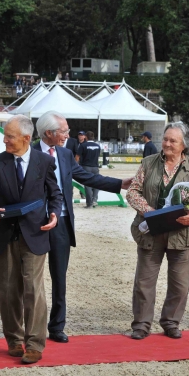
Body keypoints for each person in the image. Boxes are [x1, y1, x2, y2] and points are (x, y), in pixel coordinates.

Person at [32, 111, 132, 343]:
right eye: (65, 131)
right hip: (34, 223)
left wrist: (119, 184)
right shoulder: (30, 152)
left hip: (63, 222)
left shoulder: (66, 155)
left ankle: (57, 326)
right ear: (49, 133)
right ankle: (32, 324)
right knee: (31, 277)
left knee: (59, 276)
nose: (69, 135)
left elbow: (87, 177)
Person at [0, 115, 62, 365]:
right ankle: (14, 339)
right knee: (8, 289)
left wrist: (55, 213)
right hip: (4, 234)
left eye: (9, 136)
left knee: (33, 290)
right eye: (5, 135)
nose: (4, 140)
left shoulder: (44, 162)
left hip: (36, 234)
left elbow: (54, 194)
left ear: (26, 138)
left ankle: (34, 344)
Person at [126, 122, 189, 340]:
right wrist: (150, 212)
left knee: (180, 284)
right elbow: (133, 192)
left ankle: (171, 322)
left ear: (184, 145)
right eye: (165, 139)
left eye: (173, 140)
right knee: (144, 282)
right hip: (151, 231)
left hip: (183, 233)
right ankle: (141, 325)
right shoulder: (148, 163)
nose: (167, 143)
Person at [76, 131, 101, 208]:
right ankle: (95, 200)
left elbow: (77, 157)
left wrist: (76, 165)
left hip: (86, 167)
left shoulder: (83, 145)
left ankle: (89, 204)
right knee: (96, 183)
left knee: (88, 185)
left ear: (86, 137)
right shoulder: (98, 146)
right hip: (95, 167)